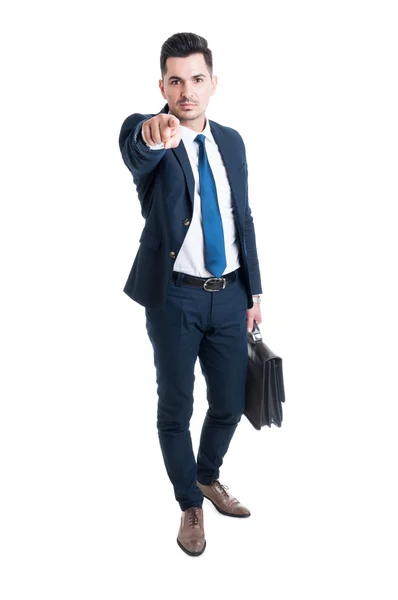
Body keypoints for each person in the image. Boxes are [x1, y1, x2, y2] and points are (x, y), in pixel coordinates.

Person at [118, 32, 263, 557]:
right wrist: (153, 136)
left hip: (230, 295)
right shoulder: (153, 137)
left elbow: (241, 217)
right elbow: (137, 149)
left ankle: (207, 476)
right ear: (163, 85)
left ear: (212, 83)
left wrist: (255, 292)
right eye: (175, 81)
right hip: (174, 298)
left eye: (196, 79)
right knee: (175, 408)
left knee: (228, 404)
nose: (187, 91)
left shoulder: (233, 141)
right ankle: (189, 506)